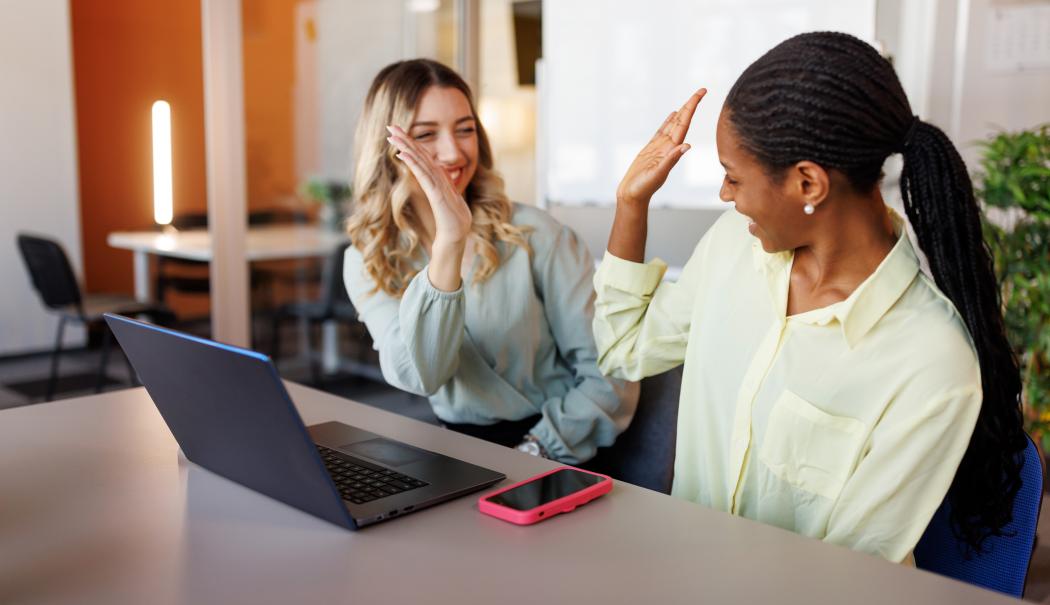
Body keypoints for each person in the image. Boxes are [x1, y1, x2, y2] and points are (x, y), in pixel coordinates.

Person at [593, 32, 1026, 563]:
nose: (725, 195)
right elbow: (626, 349)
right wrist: (630, 204)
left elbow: (846, 579)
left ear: (808, 184)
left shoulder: (931, 360)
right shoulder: (733, 248)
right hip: (682, 574)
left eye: (733, 177)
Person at [344, 59, 638, 464]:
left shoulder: (537, 235)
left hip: (559, 448)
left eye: (465, 129)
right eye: (426, 134)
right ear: (387, 150)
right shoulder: (369, 258)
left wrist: (535, 450)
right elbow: (420, 375)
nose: (452, 151)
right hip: (458, 453)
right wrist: (450, 242)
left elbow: (611, 377)